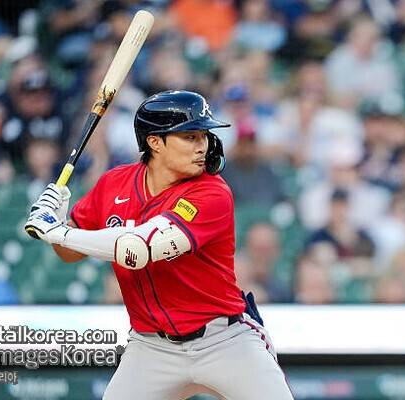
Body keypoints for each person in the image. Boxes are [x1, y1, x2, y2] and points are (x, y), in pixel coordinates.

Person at [25, 90, 294, 400]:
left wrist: (58, 232)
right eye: (190, 137)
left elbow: (140, 249)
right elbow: (69, 253)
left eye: (203, 136)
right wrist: (60, 225)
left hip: (224, 341)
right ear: (155, 142)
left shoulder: (212, 192)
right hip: (151, 348)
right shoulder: (113, 183)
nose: (202, 146)